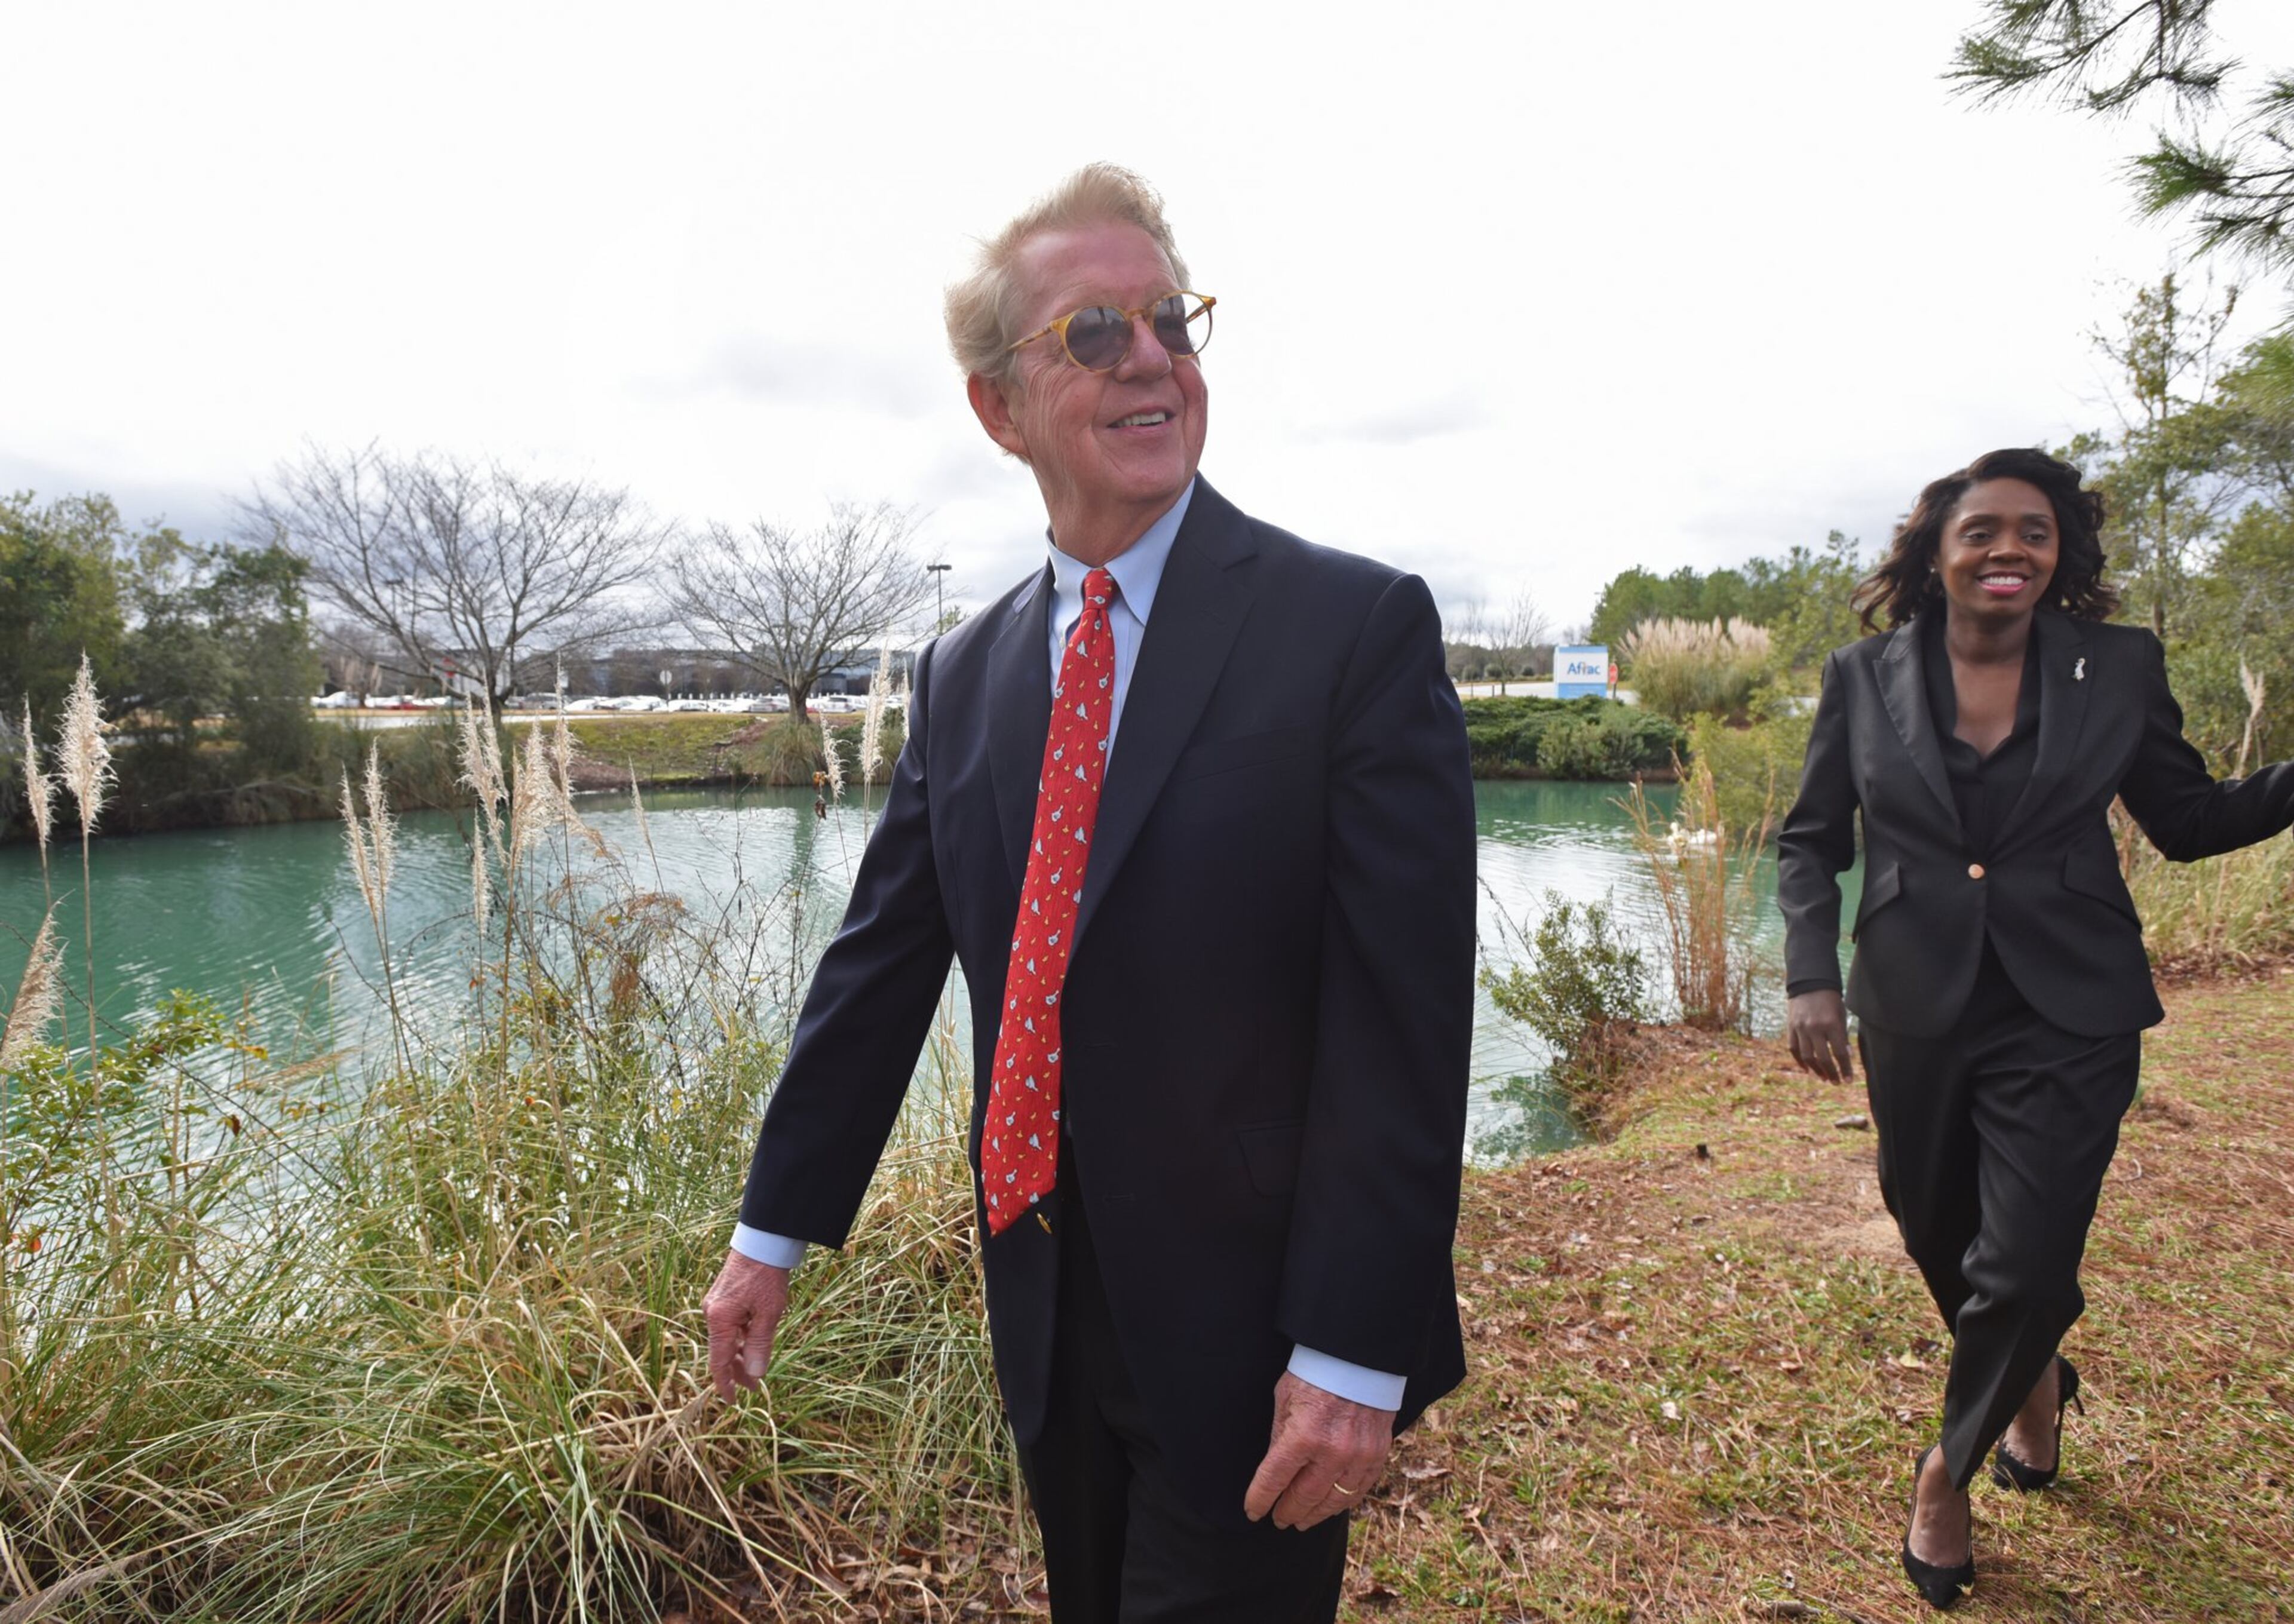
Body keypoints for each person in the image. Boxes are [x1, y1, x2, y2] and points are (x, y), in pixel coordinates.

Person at [699, 164, 1477, 1623]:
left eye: (1170, 321)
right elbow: (880, 968)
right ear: (1000, 408)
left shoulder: (1352, 628)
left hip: (1260, 1329)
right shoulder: (968, 671)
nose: (1154, 360)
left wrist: (1352, 1348)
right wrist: (772, 1229)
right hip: (1046, 1301)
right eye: (1097, 332)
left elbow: (1405, 1021)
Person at [1775, 446, 2294, 1609]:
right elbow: (1812, 841)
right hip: (1913, 1002)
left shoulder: (2116, 666)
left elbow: (2190, 820)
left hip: (2073, 1007)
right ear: (1938, 551)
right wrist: (1811, 973)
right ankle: (2034, 1378)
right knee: (1931, 1227)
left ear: (2059, 555)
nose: (2008, 546)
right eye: (1982, 529)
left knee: (2023, 1256)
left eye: (2035, 530)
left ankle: (1945, 1474)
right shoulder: (1864, 676)